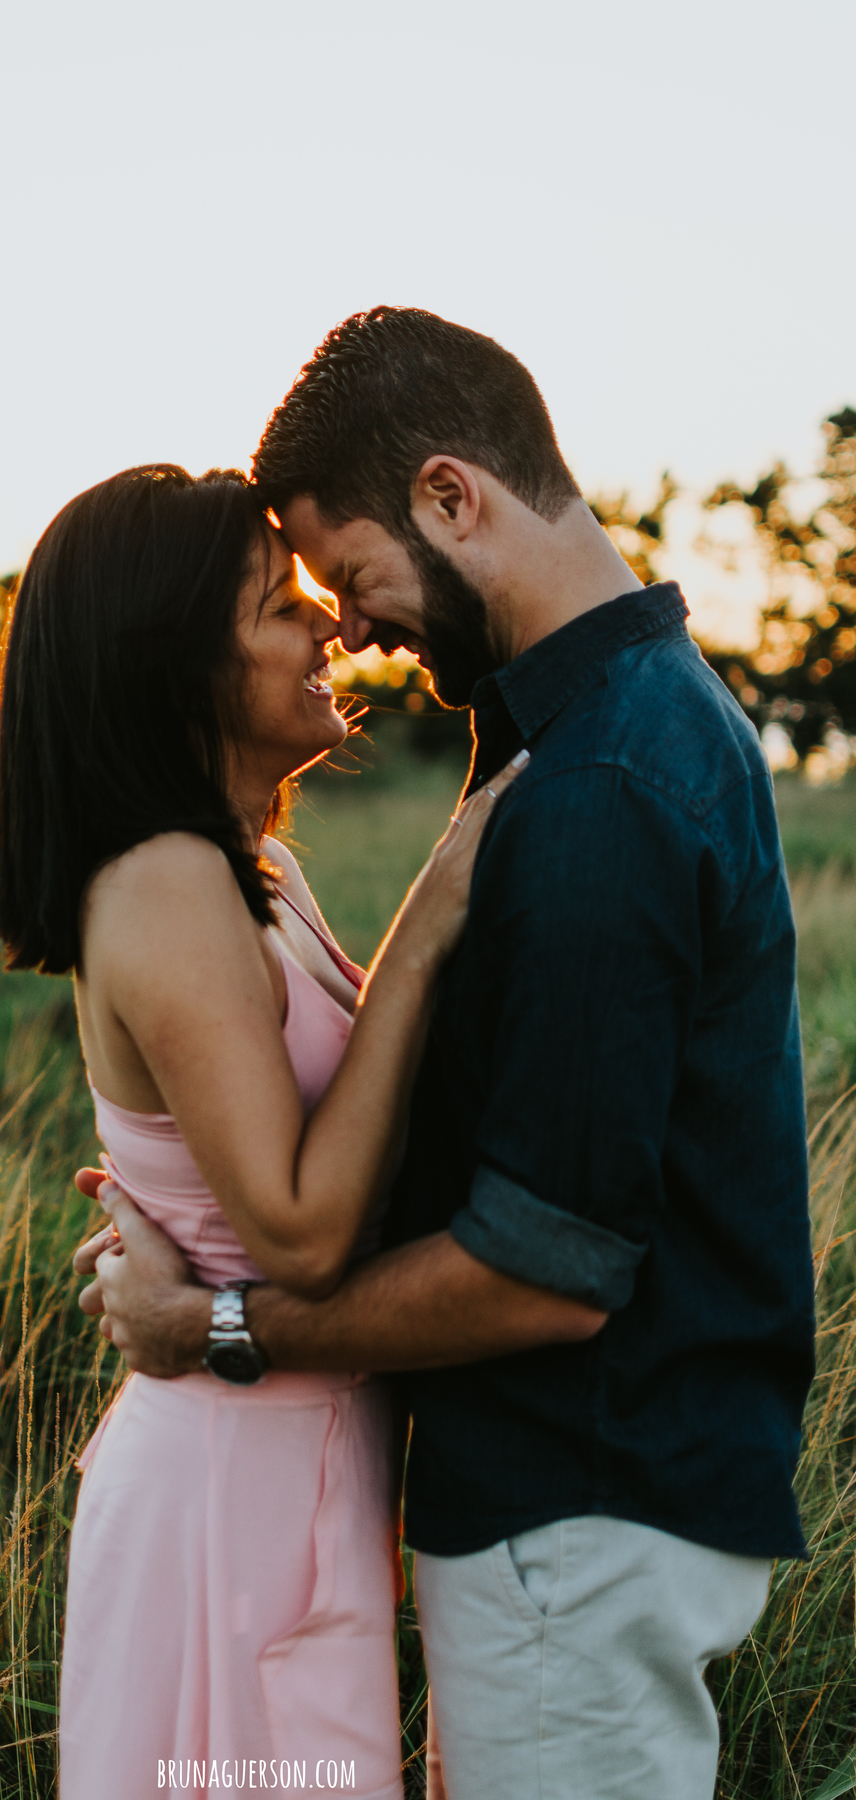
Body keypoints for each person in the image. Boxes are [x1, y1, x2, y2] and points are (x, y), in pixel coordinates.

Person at [75, 310, 816, 1800]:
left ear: (451, 497)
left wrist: (217, 1331)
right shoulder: (585, 728)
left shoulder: (603, 780)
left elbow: (544, 1268)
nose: (346, 627)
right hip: (560, 1516)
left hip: (577, 1513)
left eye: (348, 577)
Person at [0, 462, 540, 1799]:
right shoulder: (165, 883)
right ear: (173, 668)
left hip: (292, 1470)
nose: (326, 622)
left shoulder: (257, 870)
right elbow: (300, 1230)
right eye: (272, 602)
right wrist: (431, 920)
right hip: (228, 1503)